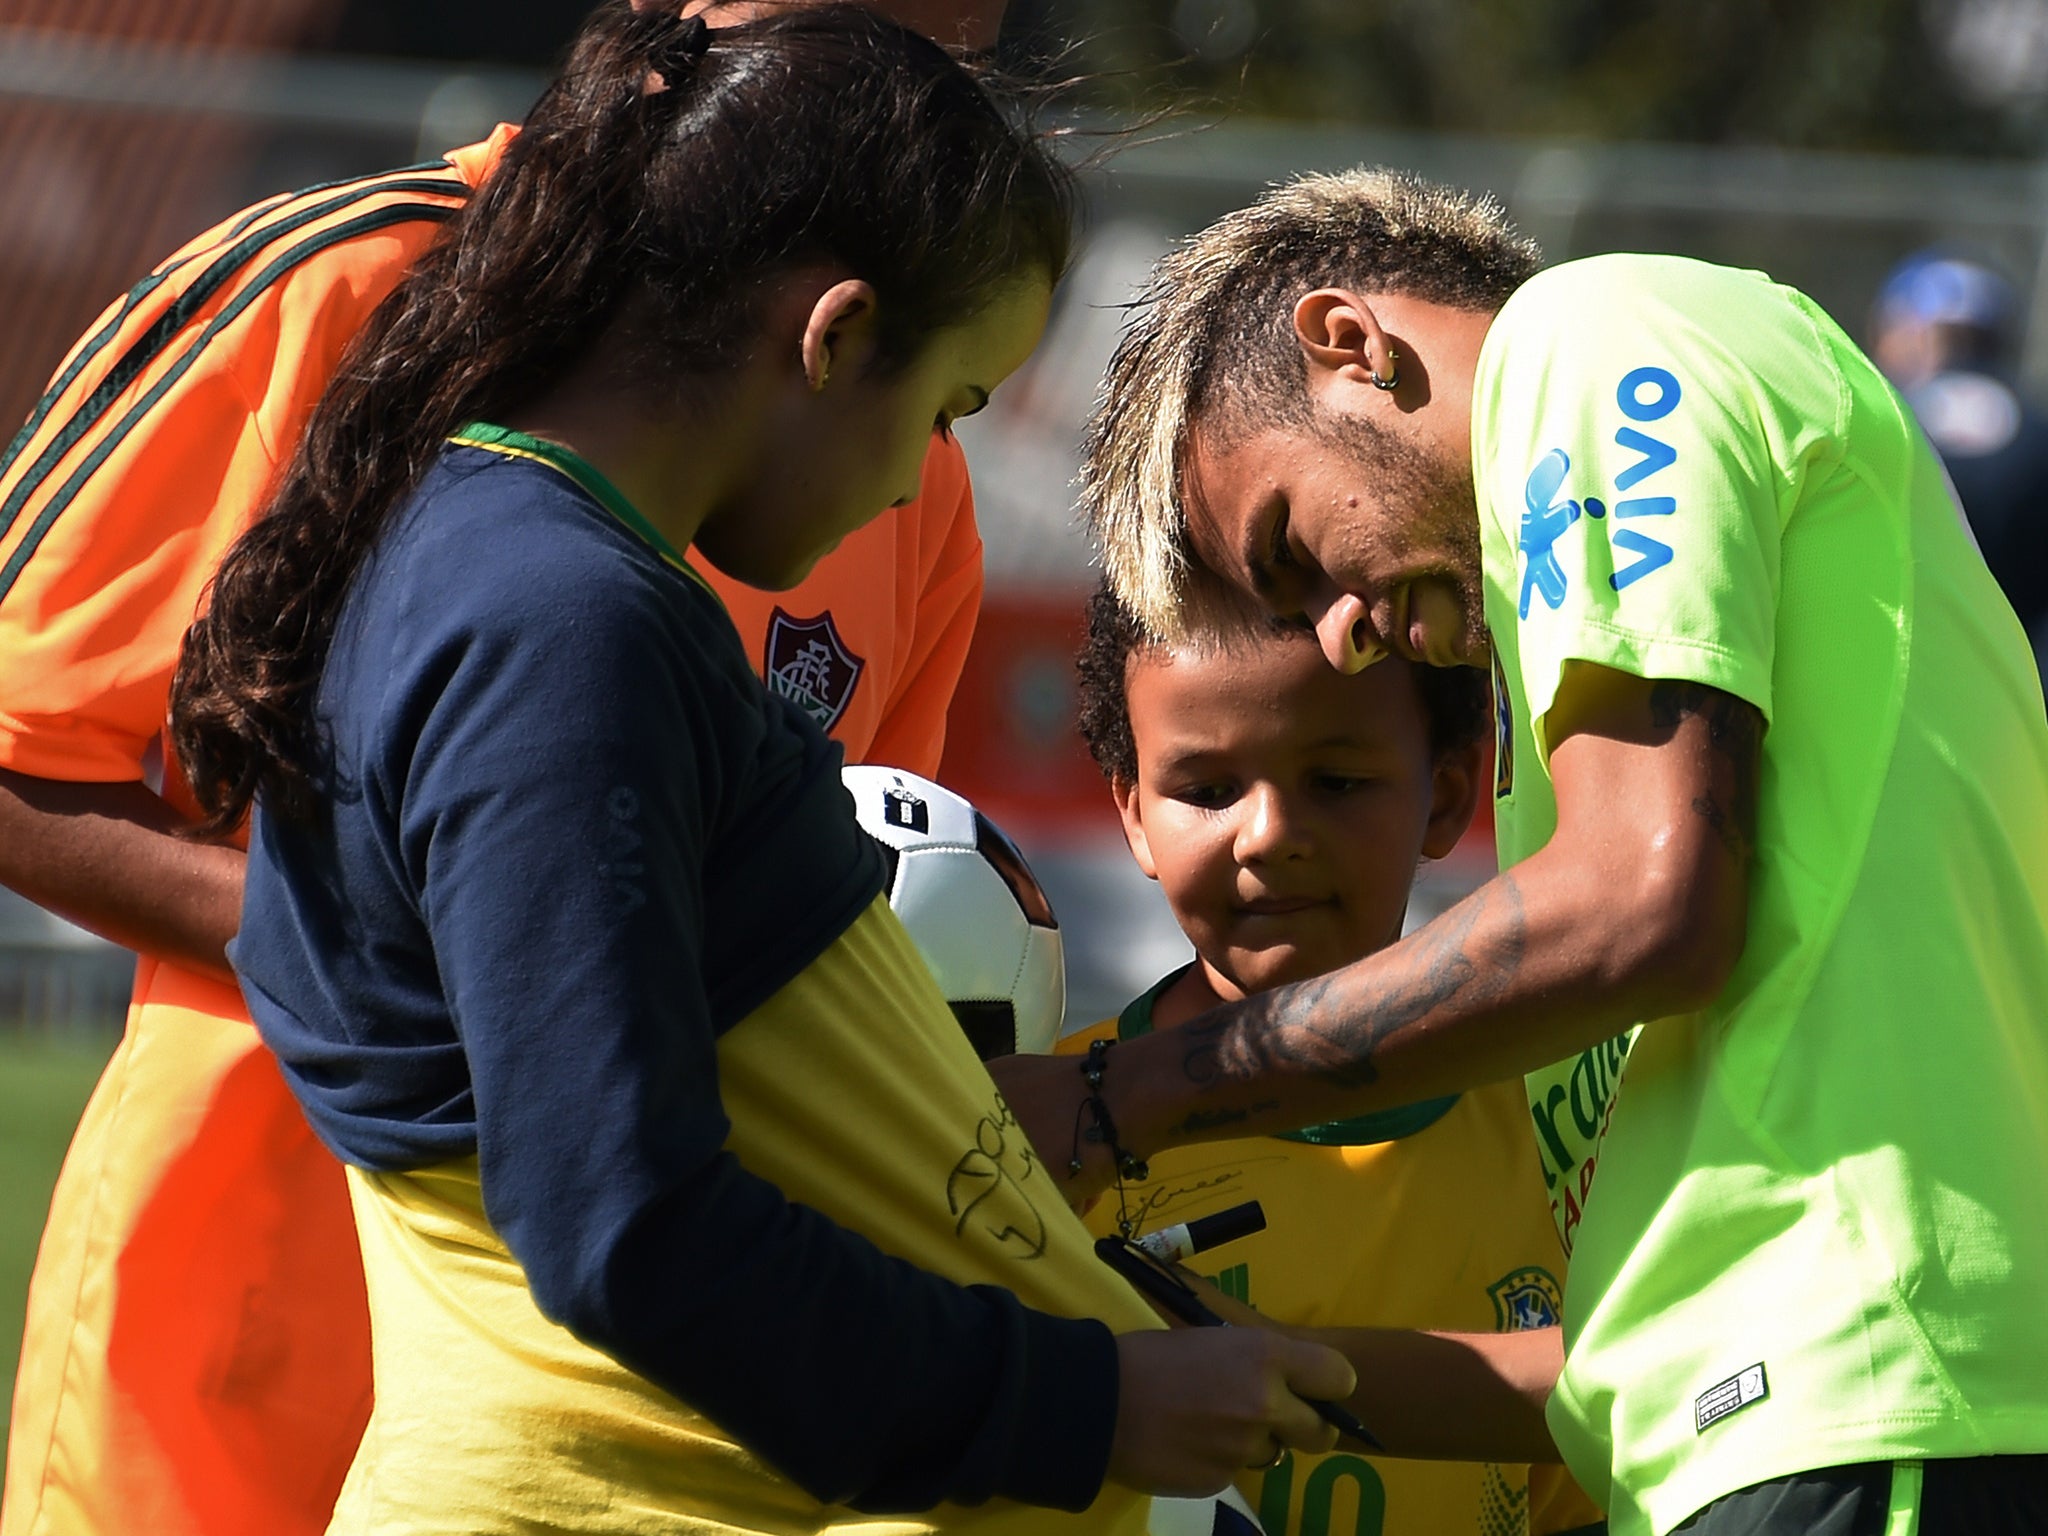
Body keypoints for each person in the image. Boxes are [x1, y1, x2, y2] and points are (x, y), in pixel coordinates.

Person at [162, 8, 1356, 1531]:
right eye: (945, 410)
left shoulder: (522, 574)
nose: (926, 475)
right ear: (836, 333)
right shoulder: (553, 621)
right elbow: (621, 1227)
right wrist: (1086, 1398)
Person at [0, 3, 998, 1534]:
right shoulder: (341, 283)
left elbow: (851, 949)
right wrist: (441, 955)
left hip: (616, 1433)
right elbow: (18, 746)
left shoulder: (900, 468)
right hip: (226, 1379)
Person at [989, 167, 2048, 1535]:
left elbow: (1636, 909)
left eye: (1289, 550)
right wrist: (1196, 1359)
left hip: (1862, 1405)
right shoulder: (1590, 734)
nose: (1337, 637)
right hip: (1820, 1419)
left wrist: (1118, 1099)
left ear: (1349, 348)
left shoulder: (1596, 337)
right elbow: (1619, 1368)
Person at [1062, 585, 1603, 1536]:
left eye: (1338, 782)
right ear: (1135, 814)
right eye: (1208, 790)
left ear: (1447, 795)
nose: (1268, 834)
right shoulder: (1053, 1128)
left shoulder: (1554, 1125)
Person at [1868, 250, 2048, 676]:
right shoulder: (2037, 432)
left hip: (1895, 679)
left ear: (1916, 335)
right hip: (2024, 693)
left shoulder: (1879, 421)